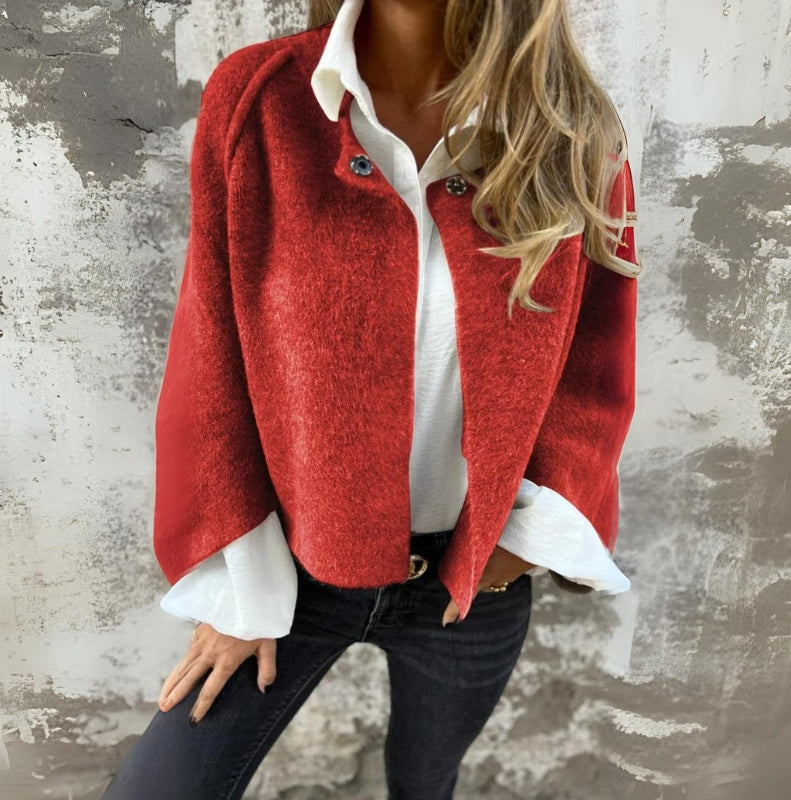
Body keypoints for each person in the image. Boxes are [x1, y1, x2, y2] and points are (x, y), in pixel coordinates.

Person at [101, 0, 641, 797]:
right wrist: (242, 589)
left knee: (425, 783)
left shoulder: (570, 131)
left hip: (470, 585)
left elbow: (595, 358)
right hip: (293, 566)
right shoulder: (259, 102)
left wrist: (527, 537)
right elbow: (210, 358)